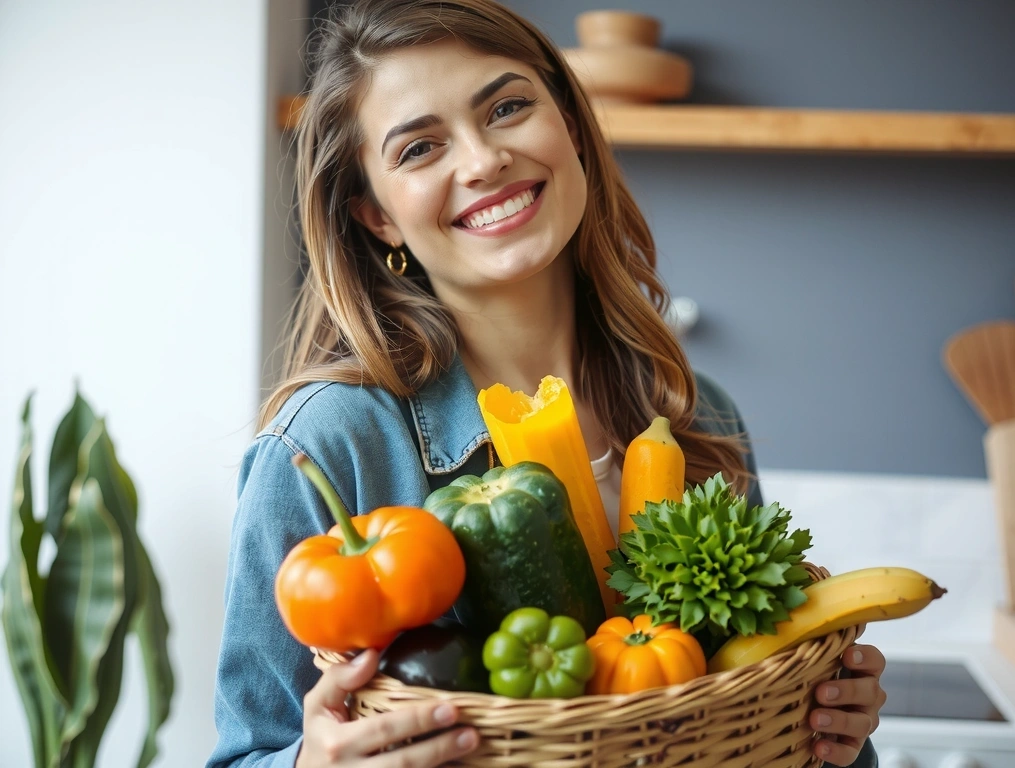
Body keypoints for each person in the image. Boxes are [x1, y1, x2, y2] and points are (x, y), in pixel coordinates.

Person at [207, 1, 885, 766]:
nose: (482, 159)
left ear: (568, 124)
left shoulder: (698, 415)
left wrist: (831, 733)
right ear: (376, 216)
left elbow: (742, 713)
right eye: (420, 148)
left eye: (507, 107)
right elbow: (244, 751)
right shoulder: (330, 445)